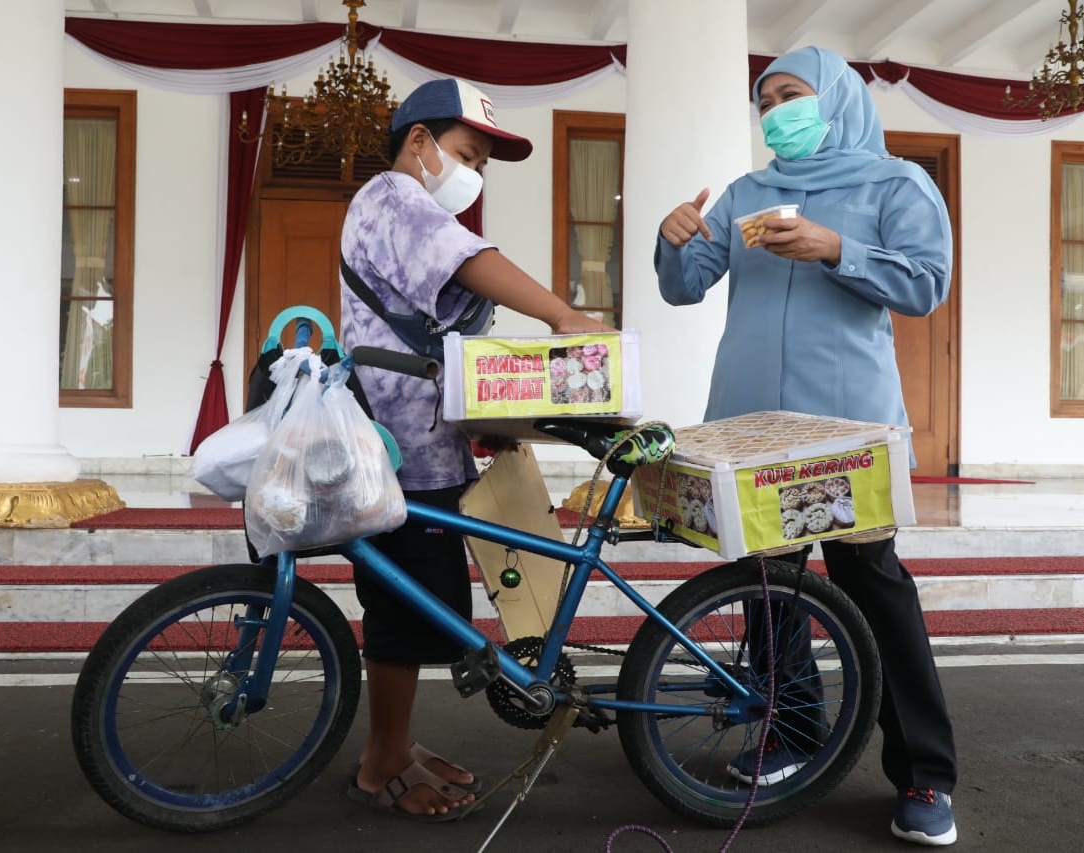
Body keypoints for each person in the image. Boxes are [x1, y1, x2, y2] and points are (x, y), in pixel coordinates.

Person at [654, 47, 959, 847]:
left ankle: (924, 772)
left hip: (844, 427)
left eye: (792, 95)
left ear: (837, 101)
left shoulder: (894, 184)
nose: (776, 111)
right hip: (749, 423)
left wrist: (837, 250)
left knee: (871, 586)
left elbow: (926, 284)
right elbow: (684, 285)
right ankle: (791, 735)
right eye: (767, 100)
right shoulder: (747, 194)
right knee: (767, 588)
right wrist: (673, 236)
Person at [339, 77, 611, 822]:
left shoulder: (405, 206)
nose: (475, 172)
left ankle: (393, 743)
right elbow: (466, 261)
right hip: (402, 451)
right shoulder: (394, 195)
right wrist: (564, 313)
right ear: (418, 142)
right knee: (402, 605)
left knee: (411, 601)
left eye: (483, 161)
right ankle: (382, 760)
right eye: (467, 153)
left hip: (423, 440)